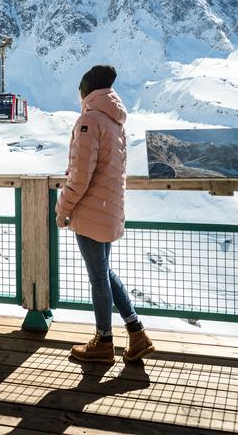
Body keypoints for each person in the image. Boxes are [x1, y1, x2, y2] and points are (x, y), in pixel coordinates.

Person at [55, 65, 155, 364]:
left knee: (98, 277)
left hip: (89, 210)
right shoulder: (115, 121)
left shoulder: (89, 120)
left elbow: (80, 177)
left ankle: (103, 342)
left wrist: (62, 210)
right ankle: (137, 334)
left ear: (86, 91)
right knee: (105, 272)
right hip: (108, 208)